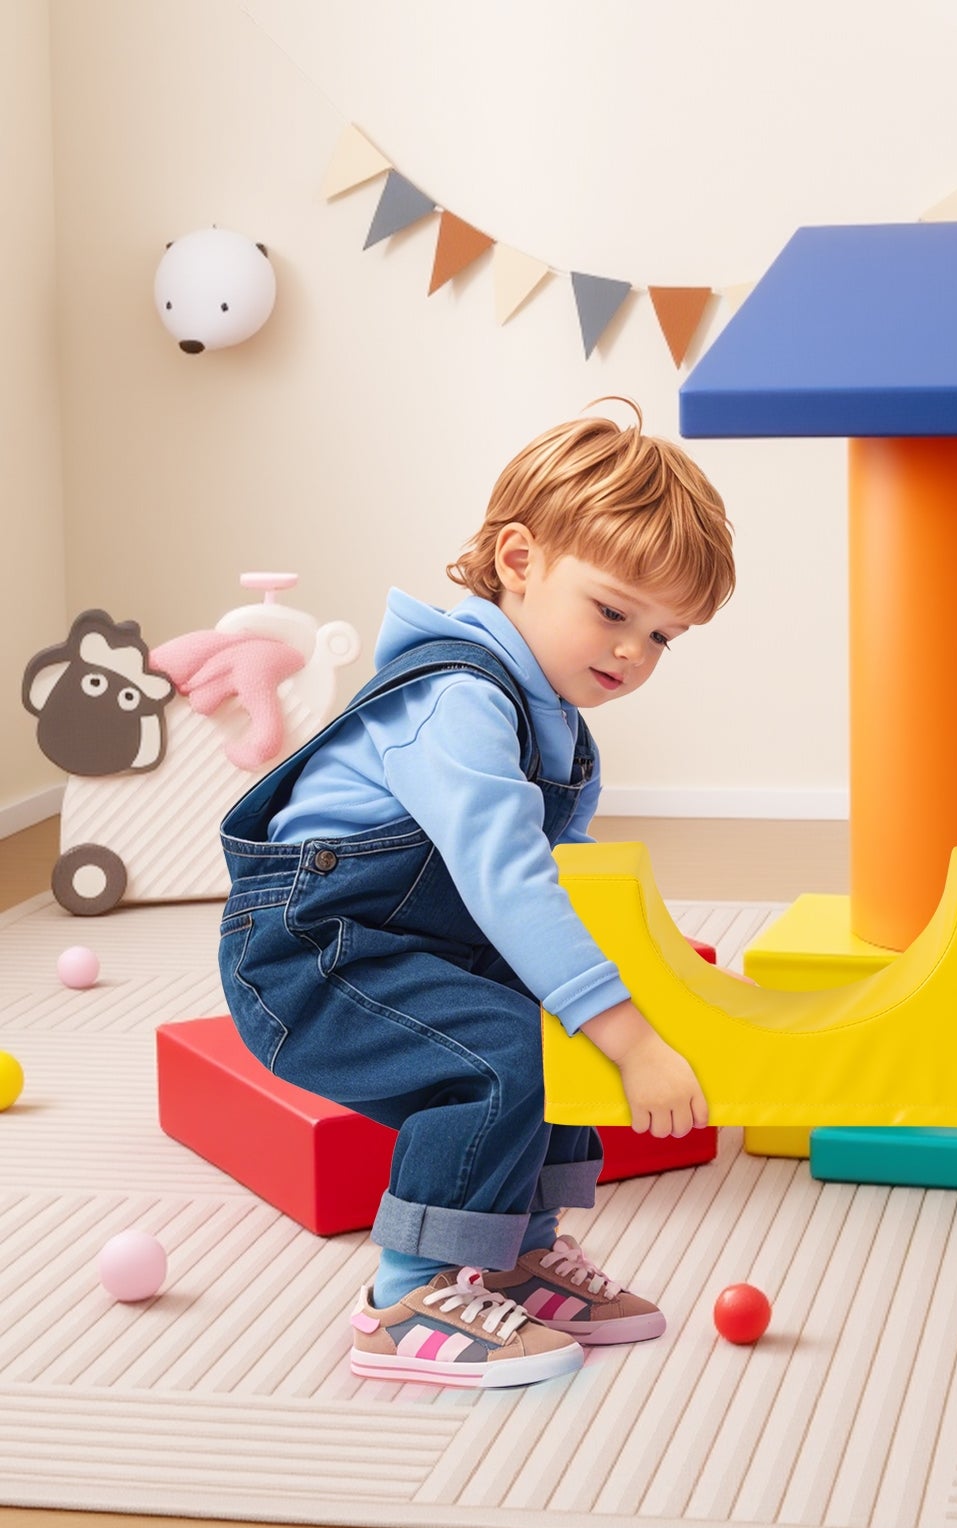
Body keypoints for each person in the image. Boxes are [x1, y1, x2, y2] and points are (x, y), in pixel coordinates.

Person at [217, 401, 736, 1389]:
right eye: (614, 610)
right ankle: (404, 1299)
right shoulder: (459, 698)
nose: (633, 653)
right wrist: (629, 1037)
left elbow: (568, 893)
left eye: (664, 635)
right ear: (518, 560)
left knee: (549, 1018)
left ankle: (513, 1252)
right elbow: (509, 881)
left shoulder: (558, 727)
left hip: (405, 945)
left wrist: (614, 1001)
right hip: (311, 955)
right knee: (499, 1056)